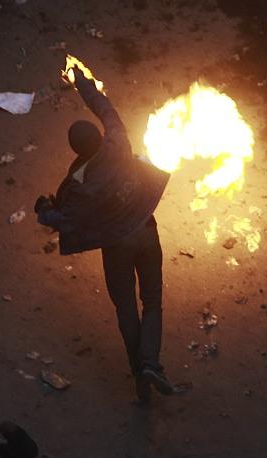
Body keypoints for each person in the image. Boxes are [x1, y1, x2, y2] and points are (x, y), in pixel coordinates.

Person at [35, 65, 172, 402]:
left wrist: (43, 212)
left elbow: (64, 220)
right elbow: (103, 105)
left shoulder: (81, 183)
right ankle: (151, 361)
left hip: (116, 246)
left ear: (76, 150)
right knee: (152, 300)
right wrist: (80, 79)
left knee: (126, 307)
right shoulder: (118, 138)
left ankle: (139, 372)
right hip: (146, 231)